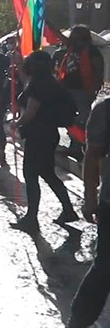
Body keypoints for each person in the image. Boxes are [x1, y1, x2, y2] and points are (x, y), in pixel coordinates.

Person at [10, 50, 78, 231]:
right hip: (48, 134)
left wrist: (16, 124)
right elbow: (27, 85)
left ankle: (31, 218)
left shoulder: (39, 84)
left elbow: (31, 111)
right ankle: (68, 210)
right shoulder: (50, 82)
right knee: (48, 174)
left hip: (37, 136)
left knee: (31, 176)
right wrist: (18, 64)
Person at [69, 96, 110, 327]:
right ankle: (79, 321)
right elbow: (93, 154)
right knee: (105, 268)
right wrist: (90, 198)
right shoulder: (105, 109)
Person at [58, 25, 105, 159]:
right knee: (69, 118)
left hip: (83, 90)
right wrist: (45, 21)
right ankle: (75, 145)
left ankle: (81, 146)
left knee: (82, 119)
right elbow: (60, 37)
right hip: (68, 89)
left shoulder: (91, 51)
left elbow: (97, 70)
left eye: (74, 34)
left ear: (82, 36)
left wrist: (94, 88)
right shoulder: (73, 48)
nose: (71, 36)